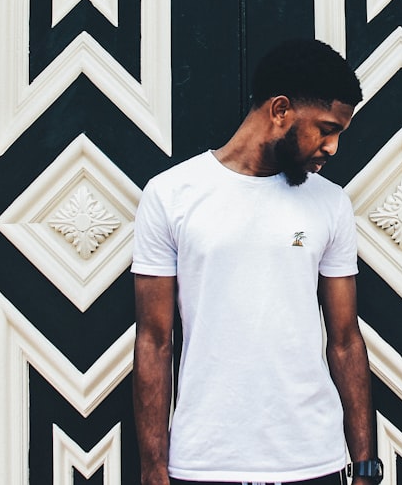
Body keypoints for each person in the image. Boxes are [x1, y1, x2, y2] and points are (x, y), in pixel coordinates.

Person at [132, 39, 383, 485]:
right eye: (326, 128)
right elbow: (154, 340)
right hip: (205, 461)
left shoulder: (330, 204)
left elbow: (345, 340)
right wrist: (154, 470)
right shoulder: (171, 195)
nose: (333, 147)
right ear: (281, 110)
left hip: (313, 461)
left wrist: (364, 465)